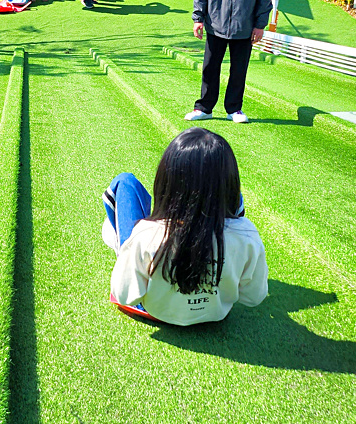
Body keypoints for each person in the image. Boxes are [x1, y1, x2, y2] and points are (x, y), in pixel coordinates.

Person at [103, 127, 267, 326]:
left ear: (166, 181)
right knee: (236, 203)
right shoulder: (247, 234)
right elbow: (253, 297)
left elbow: (123, 294)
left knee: (125, 182)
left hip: (156, 311)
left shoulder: (146, 235)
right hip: (215, 312)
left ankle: (125, 249)